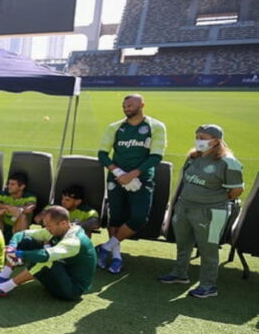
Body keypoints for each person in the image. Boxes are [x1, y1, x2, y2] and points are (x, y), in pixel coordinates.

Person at [158, 124, 243, 298]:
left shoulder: (229, 162)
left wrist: (210, 200)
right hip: (185, 208)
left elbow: (236, 191)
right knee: (183, 243)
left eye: (203, 138)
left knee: (208, 249)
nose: (198, 141)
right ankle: (180, 274)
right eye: (197, 137)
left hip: (211, 212)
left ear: (216, 140)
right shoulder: (193, 156)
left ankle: (208, 285)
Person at [97, 93, 167, 274]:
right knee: (116, 217)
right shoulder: (115, 127)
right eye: (124, 106)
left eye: (130, 105)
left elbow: (156, 156)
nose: (127, 108)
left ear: (142, 104)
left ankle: (105, 247)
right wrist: (119, 172)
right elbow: (102, 154)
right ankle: (116, 257)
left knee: (139, 218)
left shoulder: (156, 126)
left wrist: (134, 174)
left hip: (142, 179)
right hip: (116, 177)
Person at [0, 206, 96, 301]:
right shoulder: (58, 230)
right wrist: (13, 246)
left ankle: (3, 288)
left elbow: (44, 256)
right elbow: (22, 234)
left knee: (45, 260)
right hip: (60, 277)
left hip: (72, 290)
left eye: (49, 226)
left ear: (63, 224)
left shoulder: (74, 241)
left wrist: (18, 253)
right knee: (26, 242)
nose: (47, 229)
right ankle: (2, 277)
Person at [0, 172, 37, 241]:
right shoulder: (3, 194)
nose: (9, 186)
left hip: (18, 225)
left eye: (12, 184)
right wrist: (7, 207)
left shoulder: (29, 196)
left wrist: (13, 209)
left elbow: (29, 208)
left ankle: (18, 242)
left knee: (22, 216)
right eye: (9, 184)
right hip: (3, 224)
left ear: (21, 187)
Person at [35, 185, 100, 238]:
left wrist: (72, 225)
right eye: (62, 198)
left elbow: (95, 223)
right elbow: (37, 219)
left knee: (85, 230)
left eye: (67, 200)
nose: (63, 202)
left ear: (77, 202)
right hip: (55, 236)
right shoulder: (54, 207)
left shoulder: (87, 211)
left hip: (76, 238)